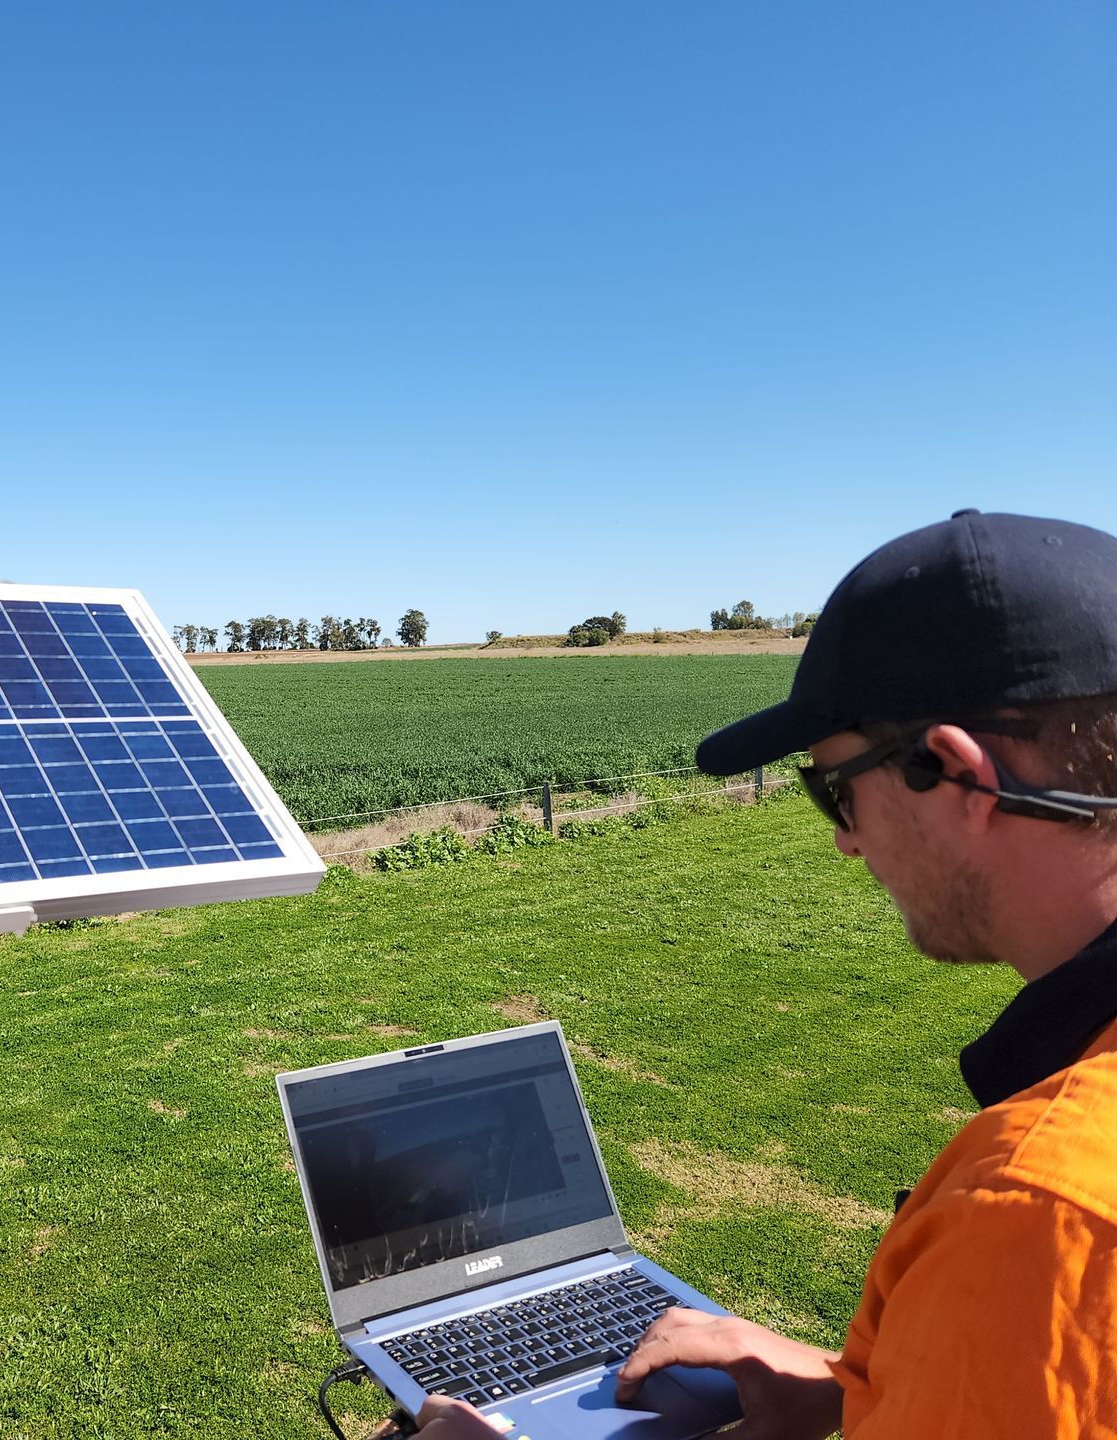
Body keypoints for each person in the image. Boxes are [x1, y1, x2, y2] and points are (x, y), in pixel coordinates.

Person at [383, 510, 1117, 1438]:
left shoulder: (1041, 1214)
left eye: (835, 789)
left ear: (952, 772)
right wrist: (868, 1387)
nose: (847, 843)